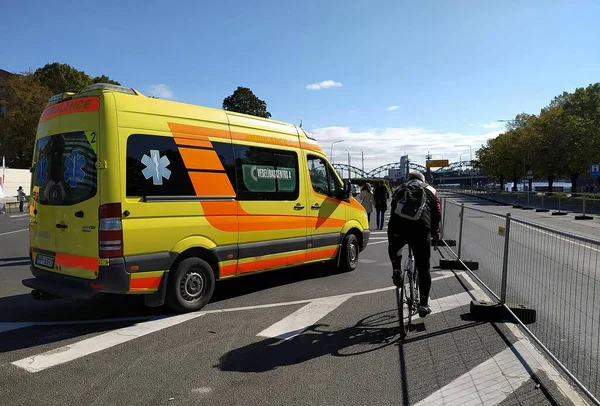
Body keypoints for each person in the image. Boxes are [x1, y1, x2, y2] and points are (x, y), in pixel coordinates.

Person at [387, 172, 441, 317]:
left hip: (398, 227)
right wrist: (435, 232)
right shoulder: (430, 189)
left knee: (395, 247)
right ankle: (423, 304)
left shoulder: (399, 189)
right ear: (423, 180)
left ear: (408, 179)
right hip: (421, 229)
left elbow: (393, 209)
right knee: (423, 266)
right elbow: (436, 213)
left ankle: (396, 269)